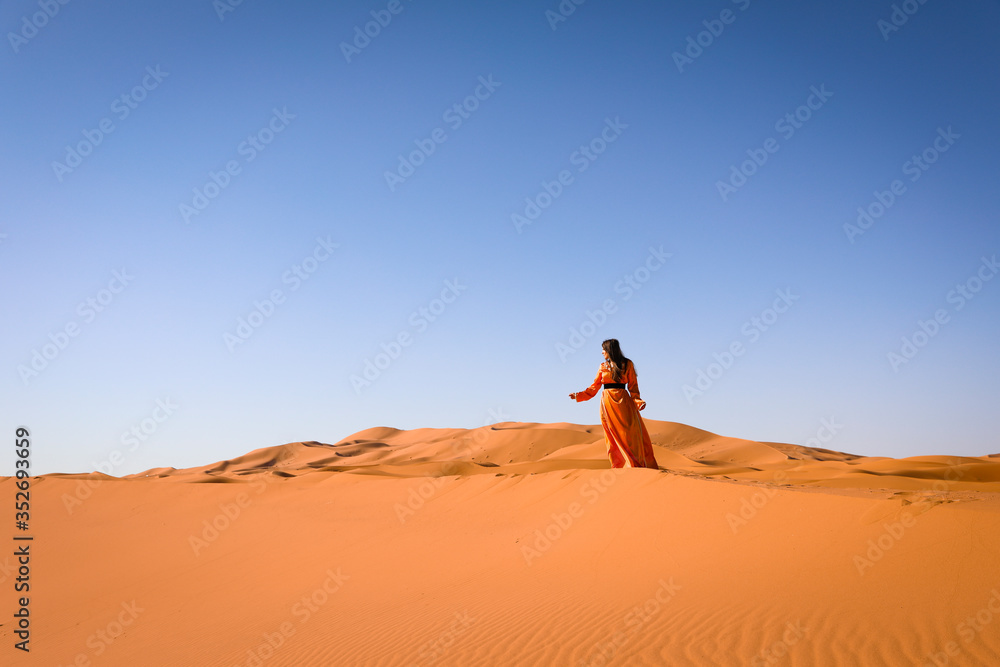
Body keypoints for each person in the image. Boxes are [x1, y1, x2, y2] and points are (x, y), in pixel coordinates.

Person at [569, 339, 658, 469]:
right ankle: (618, 466)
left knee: (629, 434)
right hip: (607, 403)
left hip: (624, 402)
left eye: (603, 350)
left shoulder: (628, 364)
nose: (602, 352)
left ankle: (635, 465)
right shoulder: (602, 366)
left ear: (610, 350)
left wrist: (638, 401)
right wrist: (579, 395)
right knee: (611, 435)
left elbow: (633, 386)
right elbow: (595, 386)